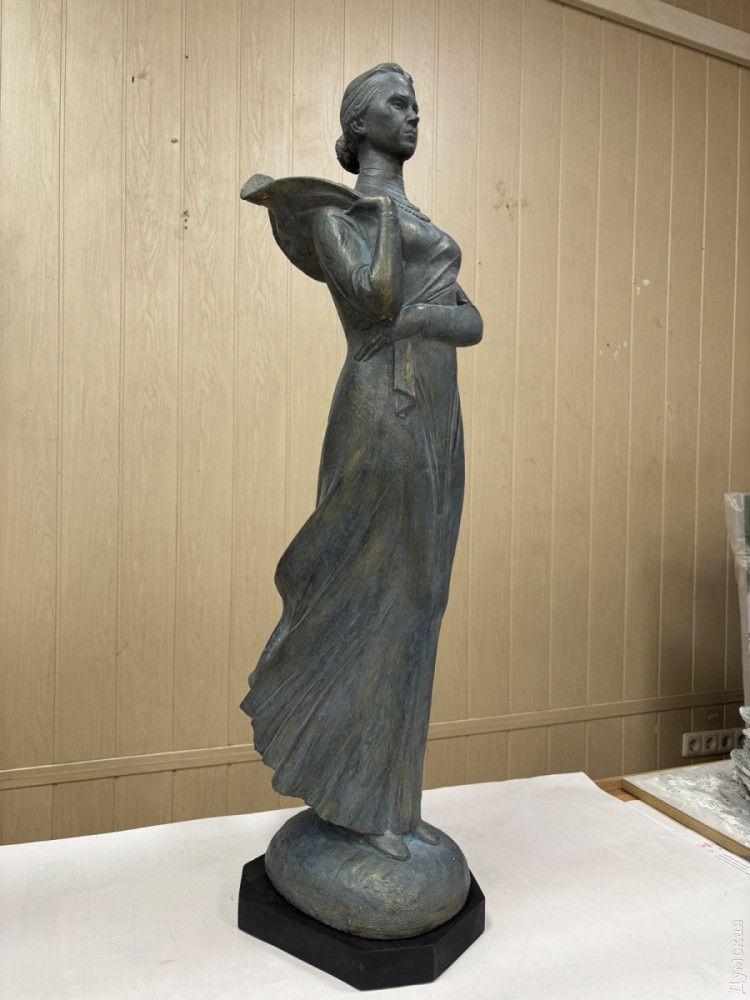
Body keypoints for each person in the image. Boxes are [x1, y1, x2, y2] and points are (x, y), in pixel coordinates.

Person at [241, 64, 482, 862]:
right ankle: (356, 799)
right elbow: (374, 302)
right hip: (382, 412)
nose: (414, 115)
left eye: (417, 103)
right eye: (397, 104)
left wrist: (425, 317)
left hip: (437, 415)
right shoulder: (334, 217)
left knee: (424, 597)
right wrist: (381, 224)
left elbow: (472, 322)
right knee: (375, 590)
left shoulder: (416, 220)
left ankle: (393, 803)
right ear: (359, 123)